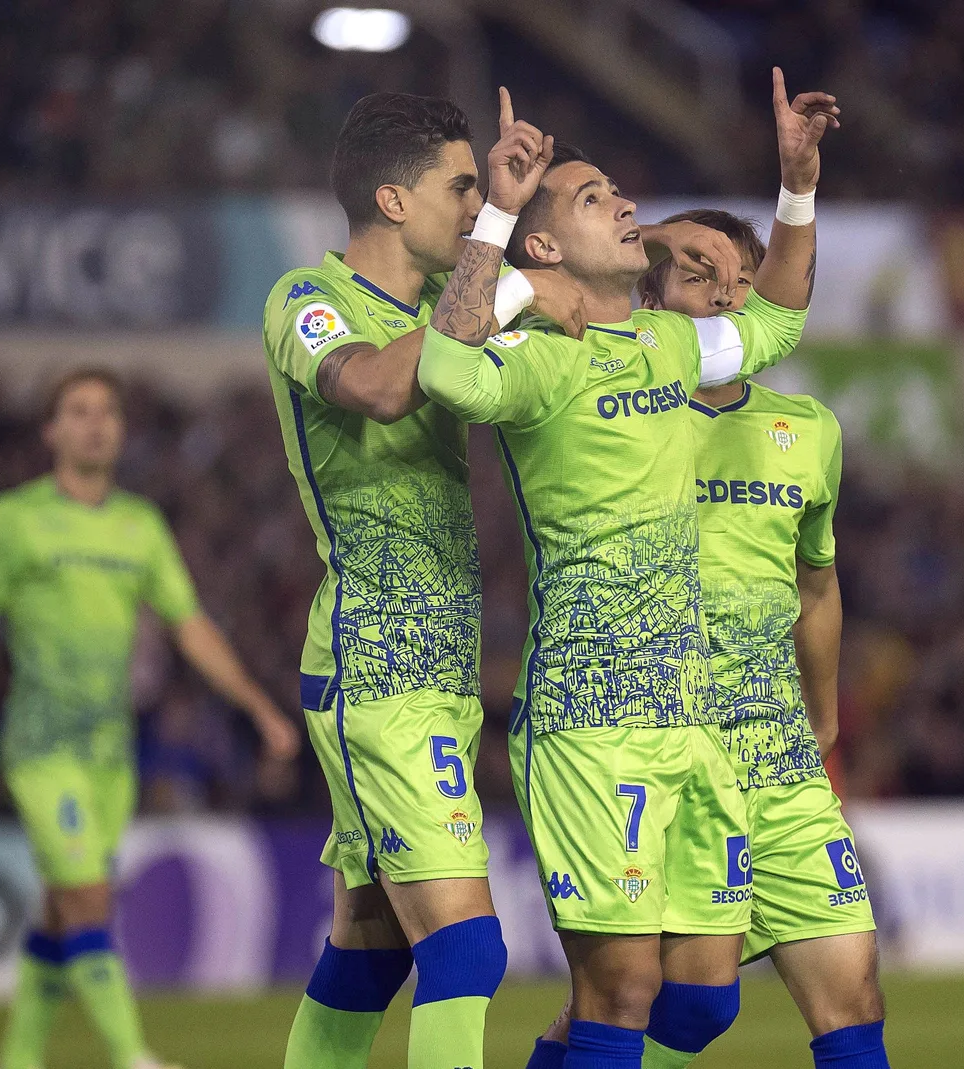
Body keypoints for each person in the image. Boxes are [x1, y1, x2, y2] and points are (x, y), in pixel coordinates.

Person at [264, 90, 741, 1069]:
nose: (482, 208)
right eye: (463, 189)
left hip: (443, 663)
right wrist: (517, 284)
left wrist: (659, 240)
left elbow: (562, 273)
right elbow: (378, 386)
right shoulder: (307, 299)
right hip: (375, 660)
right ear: (394, 201)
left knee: (370, 947)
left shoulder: (458, 302)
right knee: (468, 948)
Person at [415, 71, 836, 1069]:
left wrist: (796, 187)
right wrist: (506, 235)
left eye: (617, 190)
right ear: (549, 244)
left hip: (691, 718)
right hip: (589, 719)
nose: (624, 203)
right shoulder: (538, 361)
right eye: (593, 196)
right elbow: (443, 367)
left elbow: (778, 323)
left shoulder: (667, 344)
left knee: (702, 1002)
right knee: (621, 990)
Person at [527, 208, 885, 1069]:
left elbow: (817, 584)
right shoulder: (618, 412)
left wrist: (823, 714)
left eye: (742, 281)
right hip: (661, 732)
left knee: (855, 1000)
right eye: (699, 276)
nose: (727, 294)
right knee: (684, 1007)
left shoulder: (811, 430)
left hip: (778, 749)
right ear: (650, 301)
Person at [0, 367, 299, 1069]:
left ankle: (19, 1059)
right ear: (51, 431)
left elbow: (191, 628)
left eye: (108, 412)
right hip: (41, 747)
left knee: (65, 908)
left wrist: (259, 707)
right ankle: (131, 1055)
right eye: (78, 411)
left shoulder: (139, 526)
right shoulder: (12, 521)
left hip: (111, 754)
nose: (95, 424)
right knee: (88, 896)